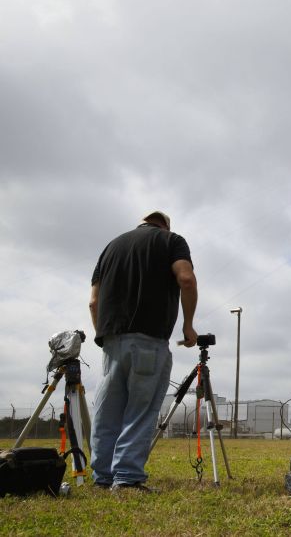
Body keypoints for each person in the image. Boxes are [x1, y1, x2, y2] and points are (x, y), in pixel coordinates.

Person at [88, 210, 198, 491]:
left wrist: (103, 335)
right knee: (141, 410)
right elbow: (186, 279)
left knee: (107, 411)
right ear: (164, 226)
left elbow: (93, 301)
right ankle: (127, 477)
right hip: (149, 339)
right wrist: (188, 325)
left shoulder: (111, 247)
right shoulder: (171, 241)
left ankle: (102, 476)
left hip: (111, 340)